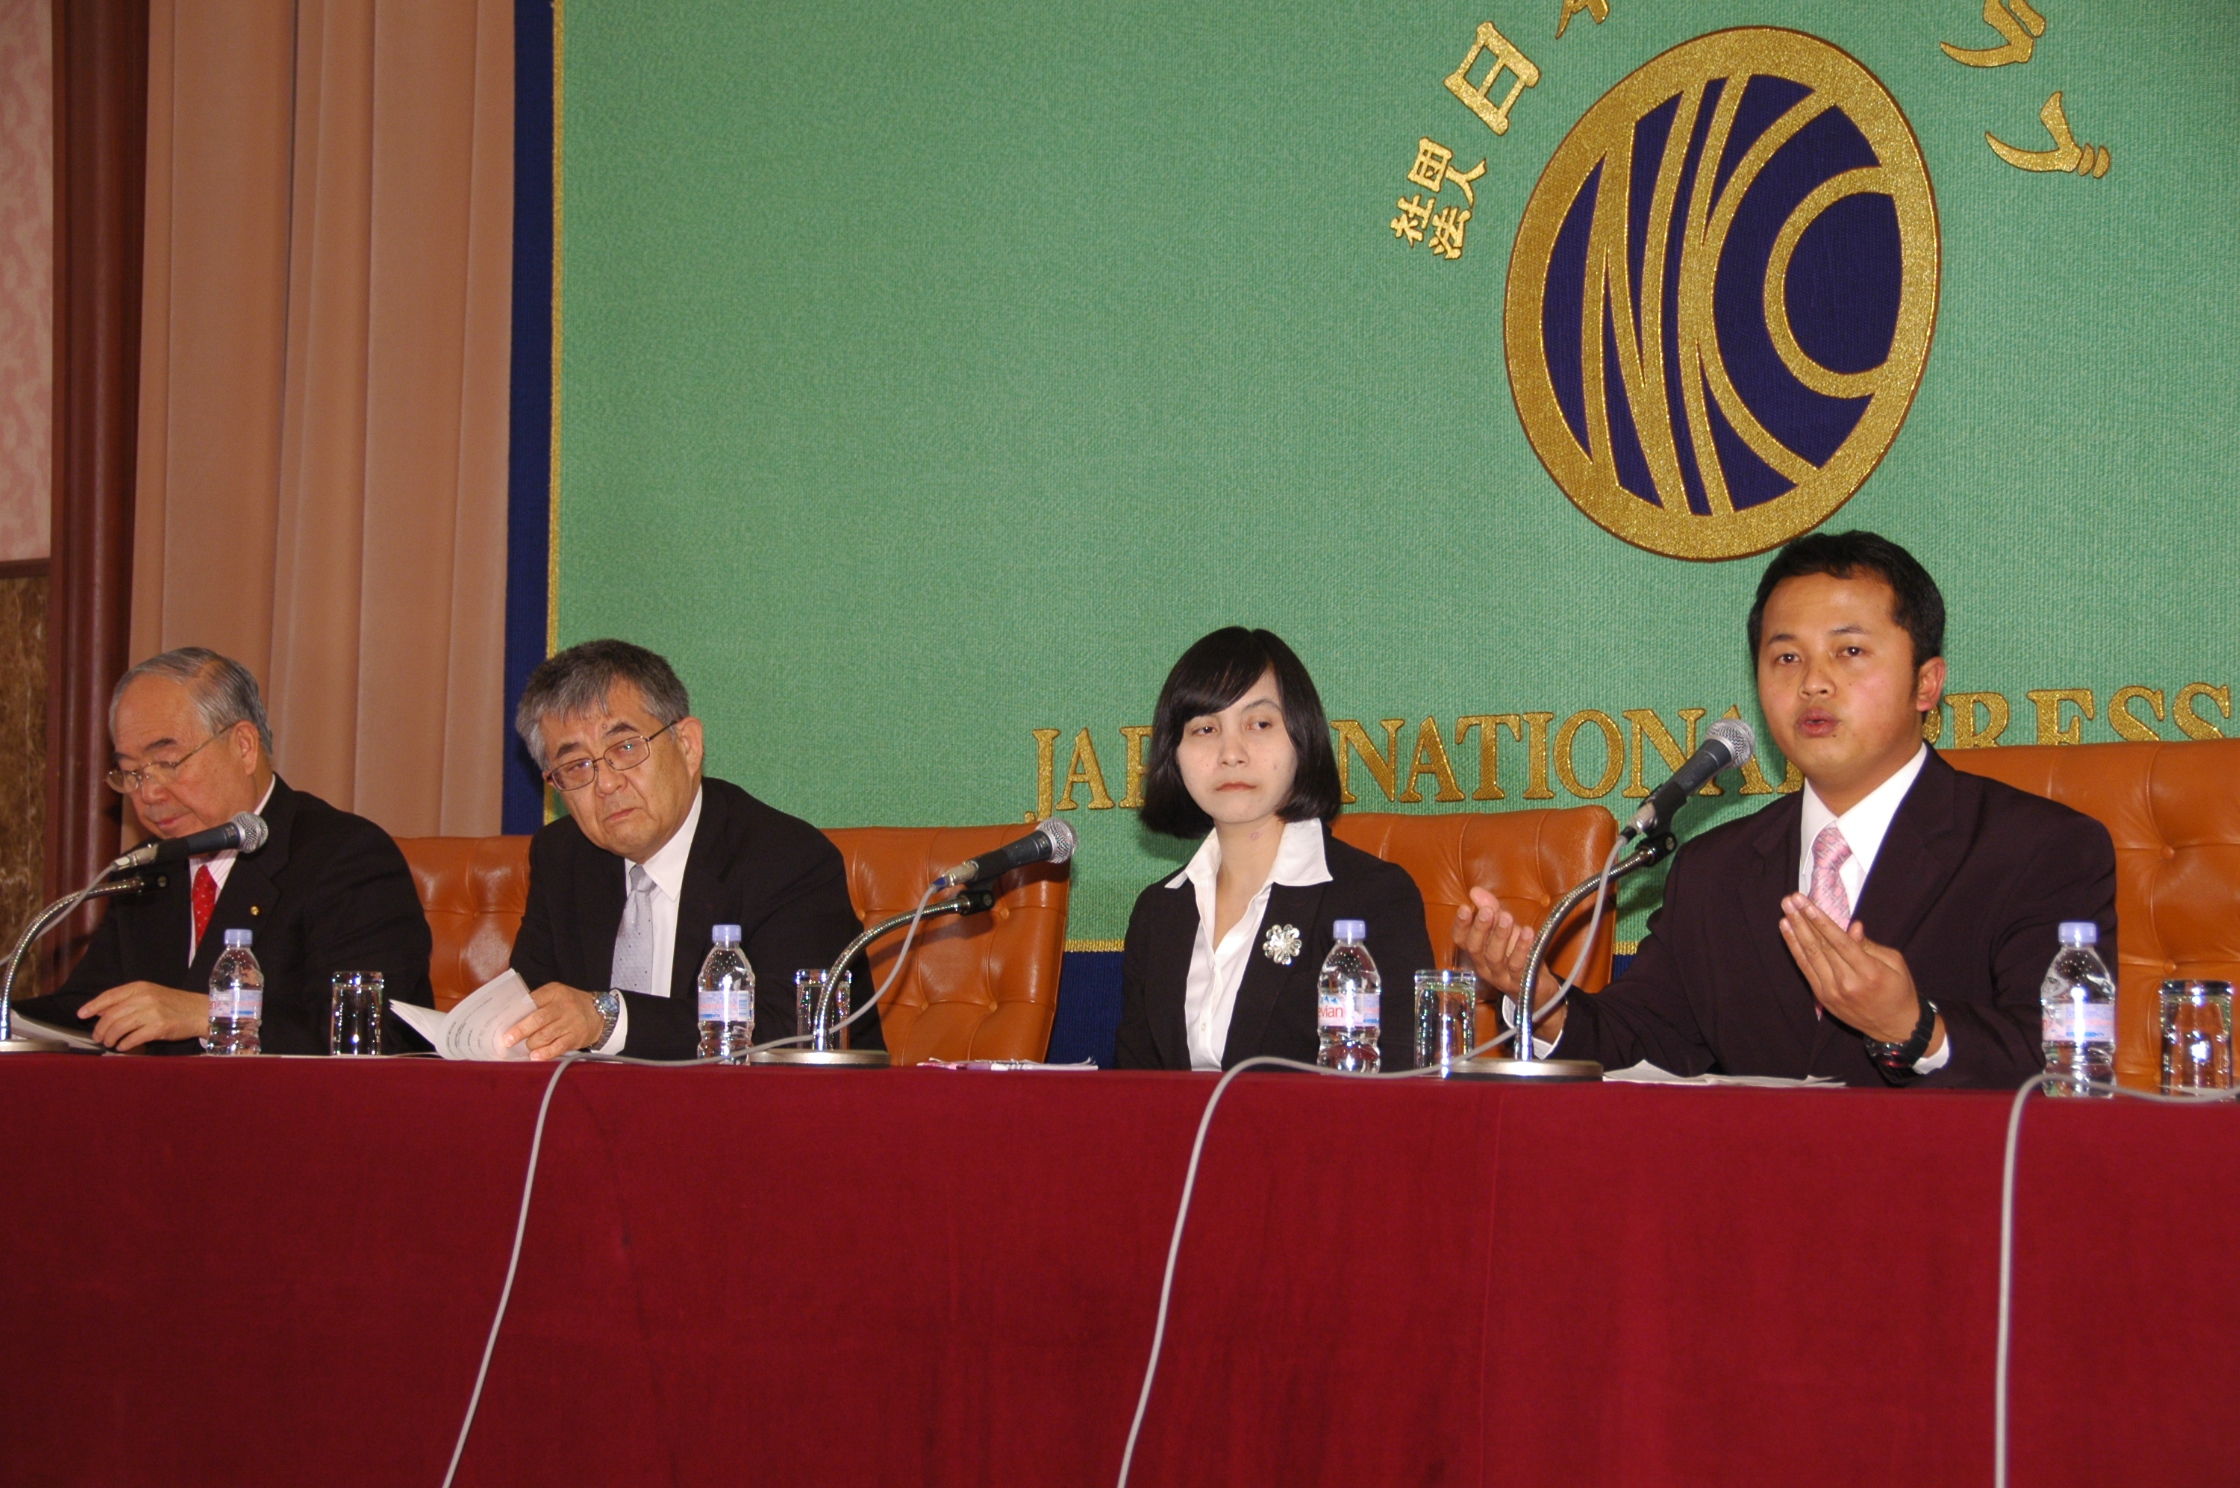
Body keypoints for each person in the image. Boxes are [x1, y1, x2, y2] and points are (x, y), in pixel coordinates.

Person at [1456, 531, 2116, 1088]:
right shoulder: (1714, 870)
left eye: (1850, 652)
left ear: (1927, 683)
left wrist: (1917, 1028)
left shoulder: (2040, 849)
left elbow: (2068, 1069)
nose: (1813, 683)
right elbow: (1645, 1040)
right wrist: (1541, 998)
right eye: (1787, 657)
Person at [18, 648, 435, 1054]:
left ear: (243, 746)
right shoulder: (149, 868)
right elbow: (87, 1011)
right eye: (131, 773)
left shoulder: (347, 857)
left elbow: (368, 1035)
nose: (149, 794)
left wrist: (213, 1015)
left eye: (167, 764)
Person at [502, 639, 878, 1060]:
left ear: (688, 745)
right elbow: (529, 1008)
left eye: (625, 748)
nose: (606, 784)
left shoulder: (787, 859)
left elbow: (790, 1034)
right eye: (576, 766)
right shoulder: (562, 856)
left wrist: (607, 1019)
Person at [1115, 627, 1434, 1071]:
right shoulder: (1158, 912)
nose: (1231, 753)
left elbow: (1403, 1086)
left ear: (1302, 737)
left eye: (1259, 724)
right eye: (1205, 728)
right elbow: (1134, 1093)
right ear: (1175, 753)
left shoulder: (1373, 897)